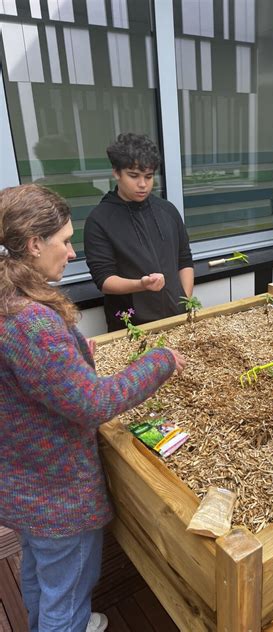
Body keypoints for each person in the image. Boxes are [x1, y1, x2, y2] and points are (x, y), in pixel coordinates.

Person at [0, 184, 186, 632]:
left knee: (40, 573)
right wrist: (159, 361)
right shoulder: (32, 323)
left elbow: (32, 377)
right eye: (64, 241)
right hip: (56, 491)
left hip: (21, 477)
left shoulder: (9, 300)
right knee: (68, 583)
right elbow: (94, 403)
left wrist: (76, 354)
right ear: (33, 244)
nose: (70, 252)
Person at [84, 132, 194, 332]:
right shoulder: (99, 220)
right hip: (131, 326)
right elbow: (104, 280)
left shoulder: (167, 210)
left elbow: (184, 259)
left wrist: (185, 300)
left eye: (149, 176)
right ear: (116, 172)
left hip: (177, 319)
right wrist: (141, 284)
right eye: (133, 176)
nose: (143, 184)